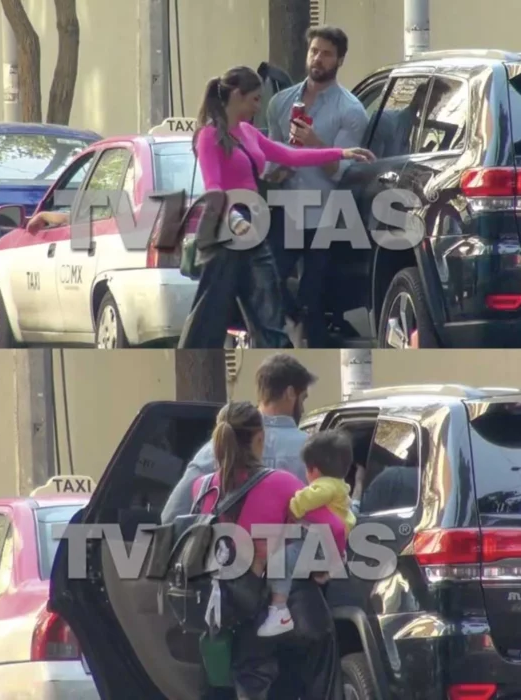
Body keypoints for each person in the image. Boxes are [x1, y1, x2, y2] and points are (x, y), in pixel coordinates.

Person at [177, 65, 375, 349]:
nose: (259, 106)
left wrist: (341, 153)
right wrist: (234, 219)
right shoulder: (209, 136)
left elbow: (289, 155)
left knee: (268, 302)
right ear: (236, 95)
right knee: (211, 307)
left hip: (254, 225)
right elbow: (213, 188)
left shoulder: (247, 132)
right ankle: (194, 355)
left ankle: (277, 353)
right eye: (254, 99)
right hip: (227, 229)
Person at [192, 401, 345, 700]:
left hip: (232, 612)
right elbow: (336, 529)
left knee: (251, 681)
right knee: (319, 664)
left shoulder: (201, 488)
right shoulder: (280, 483)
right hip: (286, 609)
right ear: (259, 439)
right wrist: (325, 565)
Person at [265, 26, 370, 348]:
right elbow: (270, 153)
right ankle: (292, 322)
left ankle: (315, 342)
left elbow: (342, 172)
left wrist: (314, 144)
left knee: (314, 293)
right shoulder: (281, 102)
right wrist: (276, 169)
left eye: (326, 53)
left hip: (325, 212)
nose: (318, 59)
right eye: (314, 51)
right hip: (285, 208)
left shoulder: (350, 111)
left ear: (339, 59)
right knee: (269, 279)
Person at [161, 353, 317, 524]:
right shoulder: (312, 450)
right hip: (295, 549)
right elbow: (331, 524)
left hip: (227, 549)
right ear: (290, 393)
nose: (302, 409)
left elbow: (172, 515)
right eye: (303, 399)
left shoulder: (216, 448)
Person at [257, 429, 354, 637]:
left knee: (281, 561)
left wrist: (293, 505)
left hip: (320, 543)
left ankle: (279, 611)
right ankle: (326, 571)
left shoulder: (324, 486)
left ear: (314, 470)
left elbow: (307, 499)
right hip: (330, 543)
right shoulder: (342, 487)